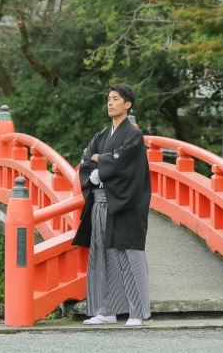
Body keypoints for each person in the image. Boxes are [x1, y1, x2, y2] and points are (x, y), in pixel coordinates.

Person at [72, 84, 152, 327]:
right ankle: (106, 310)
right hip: (100, 202)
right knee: (101, 255)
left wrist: (101, 163)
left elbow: (125, 163)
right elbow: (87, 159)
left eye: (115, 99)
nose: (110, 103)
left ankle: (138, 312)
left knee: (129, 254)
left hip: (125, 203)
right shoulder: (102, 135)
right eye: (108, 99)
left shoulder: (133, 135)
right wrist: (95, 171)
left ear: (127, 104)